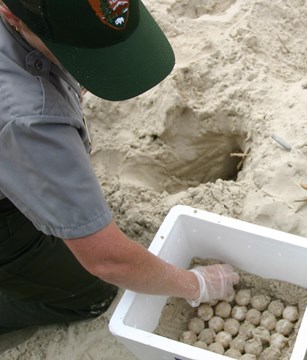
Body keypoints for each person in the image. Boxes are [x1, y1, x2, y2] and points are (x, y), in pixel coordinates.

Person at [0, 0, 239, 335]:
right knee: (89, 292)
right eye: (73, 50)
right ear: (11, 15)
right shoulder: (28, 119)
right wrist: (194, 284)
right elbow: (107, 261)